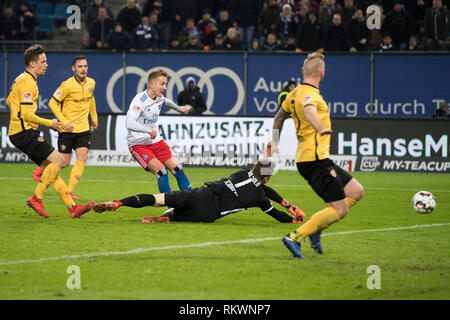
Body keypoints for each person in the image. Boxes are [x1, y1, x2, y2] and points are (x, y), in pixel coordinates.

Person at [266, 52, 364, 259]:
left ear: (303, 71)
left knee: (355, 191)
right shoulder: (309, 95)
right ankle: (295, 236)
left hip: (315, 159)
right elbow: (309, 111)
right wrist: (320, 127)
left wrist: (275, 142)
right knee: (340, 209)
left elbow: (278, 117)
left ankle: (315, 229)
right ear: (322, 72)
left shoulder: (293, 93)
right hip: (315, 161)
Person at [6, 45, 94, 218]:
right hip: (23, 133)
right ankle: (36, 197)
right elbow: (24, 112)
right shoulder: (28, 82)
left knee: (51, 170)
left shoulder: (22, 79)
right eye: (43, 61)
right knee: (60, 160)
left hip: (20, 131)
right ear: (32, 64)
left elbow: (10, 101)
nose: (46, 64)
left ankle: (72, 207)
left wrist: (27, 119)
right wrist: (48, 123)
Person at [93, 160, 306, 224]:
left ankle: (118, 203)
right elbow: (274, 211)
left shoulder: (243, 173)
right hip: (208, 214)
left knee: (157, 199)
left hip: (202, 193)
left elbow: (263, 184)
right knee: (177, 216)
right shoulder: (260, 198)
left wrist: (288, 204)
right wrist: (292, 217)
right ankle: (168, 218)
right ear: (267, 178)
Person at [33, 55, 98, 201]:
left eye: (85, 66)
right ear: (74, 69)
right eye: (80, 67)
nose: (83, 69)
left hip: (83, 129)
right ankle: (44, 166)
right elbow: (52, 103)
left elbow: (91, 99)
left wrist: (94, 118)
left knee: (83, 157)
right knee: (63, 163)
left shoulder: (91, 83)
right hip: (67, 130)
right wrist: (63, 121)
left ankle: (69, 190)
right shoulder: (67, 85)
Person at [126, 69, 192, 195]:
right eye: (162, 84)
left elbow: (167, 102)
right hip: (138, 145)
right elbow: (129, 123)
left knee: (178, 169)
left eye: (165, 84)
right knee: (162, 172)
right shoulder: (140, 100)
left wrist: (179, 109)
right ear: (151, 84)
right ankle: (171, 208)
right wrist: (148, 130)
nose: (165, 87)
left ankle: (192, 203)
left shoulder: (159, 98)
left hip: (156, 142)